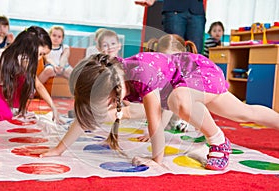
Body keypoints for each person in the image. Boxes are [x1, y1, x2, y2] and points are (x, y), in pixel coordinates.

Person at [40, 45, 279, 171]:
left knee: (178, 102)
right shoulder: (110, 79)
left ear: (111, 89)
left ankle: (218, 140)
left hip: (197, 72)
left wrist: (157, 159)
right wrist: (59, 150)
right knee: (245, 112)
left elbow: (155, 120)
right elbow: (86, 117)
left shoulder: (140, 74)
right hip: (184, 86)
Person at [0, 26, 60, 122]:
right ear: (30, 47)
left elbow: (36, 84)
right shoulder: (13, 56)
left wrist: (53, 107)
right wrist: (53, 107)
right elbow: (38, 86)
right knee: (5, 115)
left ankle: (15, 108)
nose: (40, 58)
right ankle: (12, 109)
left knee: (24, 78)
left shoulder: (24, 58)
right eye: (40, 54)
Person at [135, 0, 206, 54]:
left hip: (196, 11)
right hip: (174, 9)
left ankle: (194, 73)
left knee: (196, 50)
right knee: (173, 47)